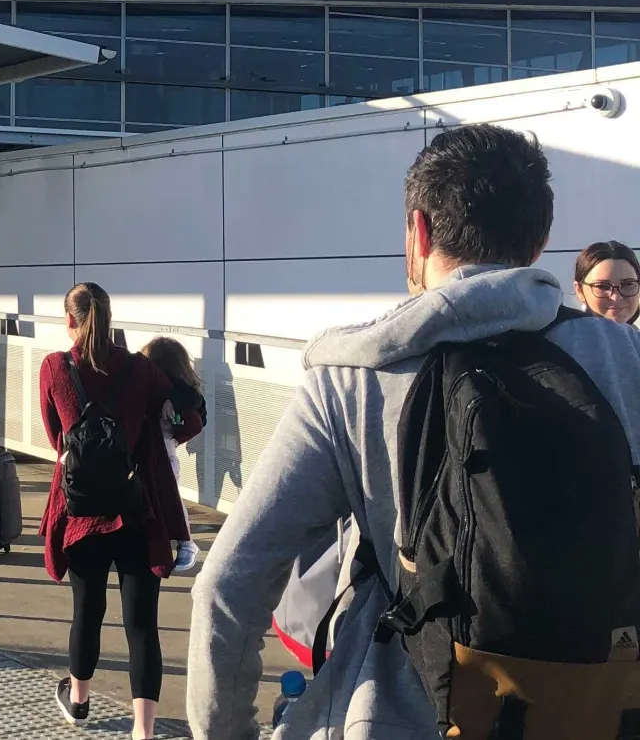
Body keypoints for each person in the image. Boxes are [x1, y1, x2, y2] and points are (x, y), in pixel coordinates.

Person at [188, 125, 640, 738]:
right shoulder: (624, 355)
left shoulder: (349, 378)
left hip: (403, 714)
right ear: (539, 245)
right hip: (595, 709)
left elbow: (230, 584)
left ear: (418, 232)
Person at [43, 283, 187, 736]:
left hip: (81, 512)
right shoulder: (141, 368)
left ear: (69, 320)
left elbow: (55, 437)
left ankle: (79, 700)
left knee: (87, 610)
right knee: (142, 623)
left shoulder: (55, 367)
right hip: (135, 507)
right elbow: (181, 413)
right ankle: (143, 732)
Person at [139, 336, 206, 573]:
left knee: (169, 497)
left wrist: (174, 438)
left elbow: (194, 420)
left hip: (163, 450)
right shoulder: (183, 393)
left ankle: (185, 542)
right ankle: (178, 541)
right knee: (166, 495)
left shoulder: (170, 393)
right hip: (166, 447)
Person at [573, 239, 640, 325]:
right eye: (602, 286)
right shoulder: (561, 337)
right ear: (579, 290)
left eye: (627, 284)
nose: (616, 297)